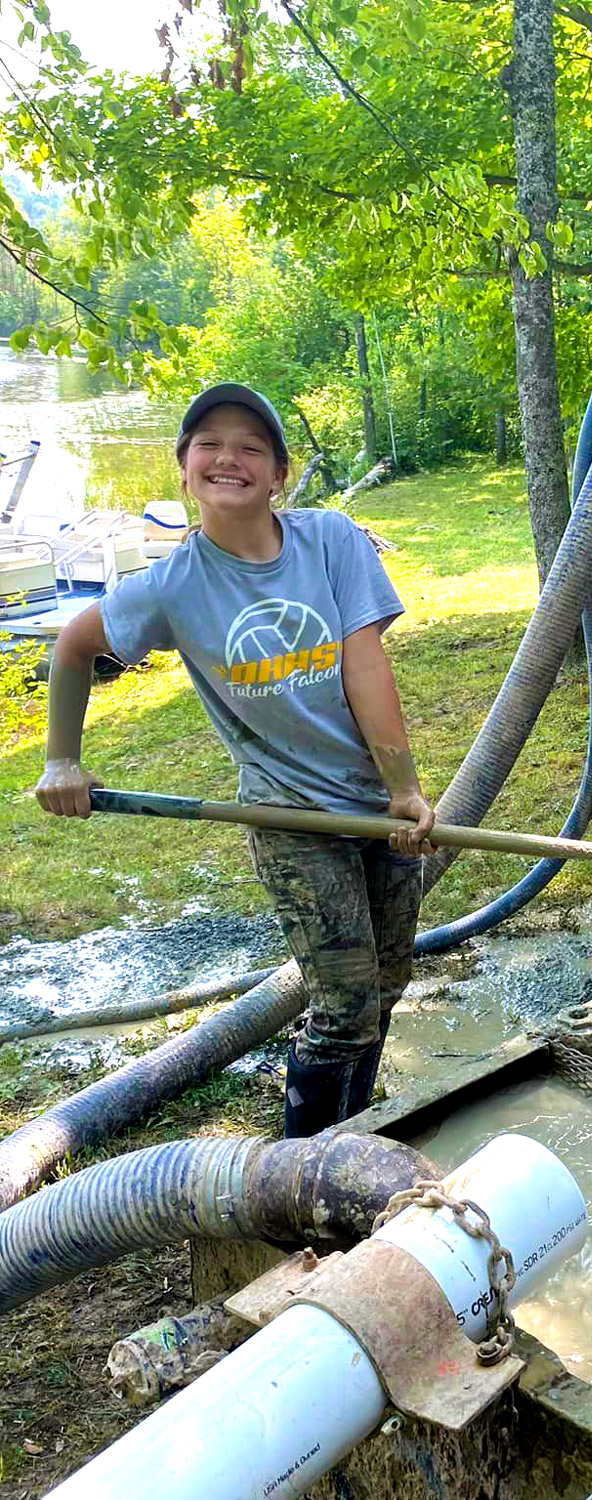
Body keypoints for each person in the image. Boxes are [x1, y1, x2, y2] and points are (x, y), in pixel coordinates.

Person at [34, 384, 436, 1136]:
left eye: (251, 446)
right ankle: (303, 1177)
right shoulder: (173, 587)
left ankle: (358, 1140)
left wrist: (402, 791)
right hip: (285, 815)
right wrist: (62, 760)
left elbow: (365, 665)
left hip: (376, 806)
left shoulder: (333, 541)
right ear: (183, 468)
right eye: (209, 444)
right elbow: (74, 645)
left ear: (279, 473)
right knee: (344, 1008)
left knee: (385, 986)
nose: (229, 458)